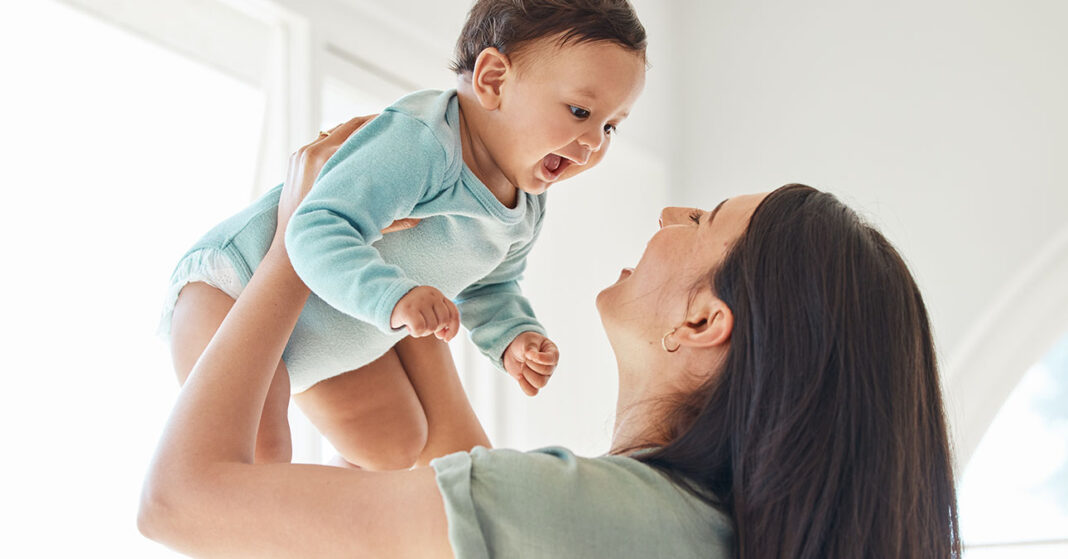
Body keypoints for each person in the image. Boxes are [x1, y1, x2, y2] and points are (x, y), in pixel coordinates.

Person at [139, 119, 963, 558]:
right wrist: (412, 265)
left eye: (705, 220)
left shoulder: (586, 513)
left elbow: (183, 503)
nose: (675, 214)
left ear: (704, 322)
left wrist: (297, 236)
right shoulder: (684, 530)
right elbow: (451, 469)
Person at [159, 0, 648, 469]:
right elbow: (314, 228)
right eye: (581, 113)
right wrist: (395, 297)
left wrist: (512, 337)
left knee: (395, 445)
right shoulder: (422, 142)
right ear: (493, 79)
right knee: (261, 452)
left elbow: (490, 284)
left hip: (330, 323)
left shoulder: (527, 204)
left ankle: (339, 529)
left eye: (611, 127)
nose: (592, 144)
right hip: (232, 288)